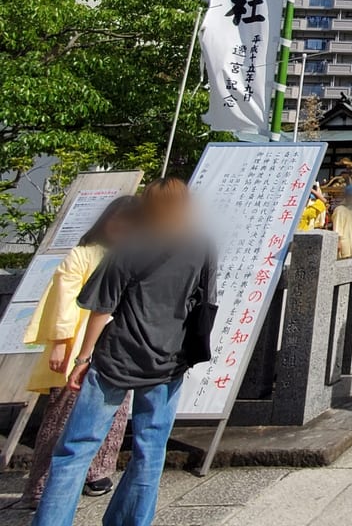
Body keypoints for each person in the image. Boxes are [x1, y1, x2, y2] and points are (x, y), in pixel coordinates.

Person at [32, 177, 216, 526]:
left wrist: (83, 358)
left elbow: (102, 307)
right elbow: (205, 300)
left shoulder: (133, 244)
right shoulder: (201, 244)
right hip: (168, 358)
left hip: (117, 356)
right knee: (150, 450)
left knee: (75, 449)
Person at [20, 195, 142, 508]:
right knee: (62, 414)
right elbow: (62, 298)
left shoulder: (135, 256)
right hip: (77, 344)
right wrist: (61, 341)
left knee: (114, 414)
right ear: (107, 221)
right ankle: (40, 483)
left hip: (119, 348)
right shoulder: (83, 254)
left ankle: (99, 472)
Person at [331, 184, 352, 259]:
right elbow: (337, 228)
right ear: (347, 196)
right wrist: (337, 242)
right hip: (345, 244)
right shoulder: (339, 210)